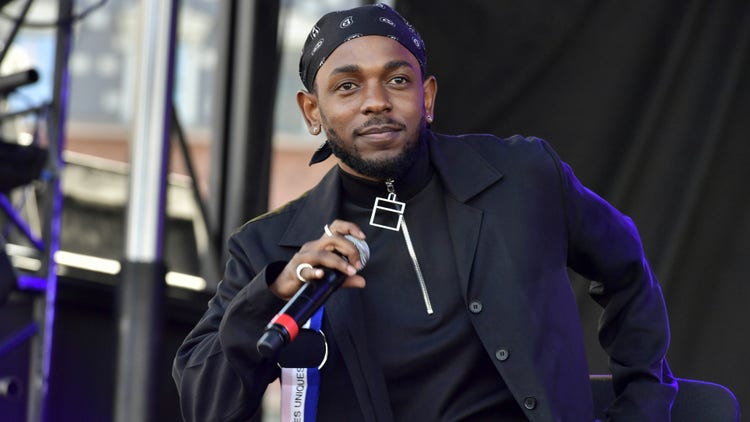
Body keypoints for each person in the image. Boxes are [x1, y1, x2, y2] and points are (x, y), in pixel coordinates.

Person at [173, 4, 677, 421]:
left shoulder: (523, 177)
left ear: (427, 96)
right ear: (312, 112)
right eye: (347, 86)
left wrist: (644, 402)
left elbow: (627, 271)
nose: (376, 102)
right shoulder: (271, 247)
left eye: (396, 80)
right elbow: (207, 405)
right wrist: (272, 294)